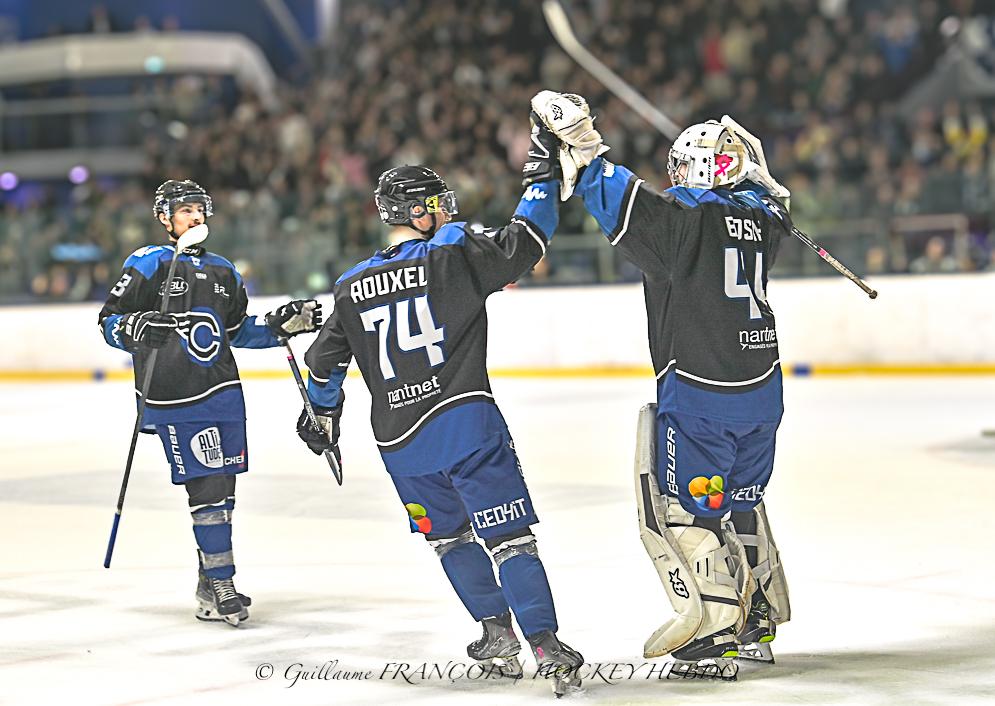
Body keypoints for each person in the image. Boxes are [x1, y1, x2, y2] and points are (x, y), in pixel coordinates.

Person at [296, 115, 584, 695]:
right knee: (511, 541)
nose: (445, 211)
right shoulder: (451, 250)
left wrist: (323, 413)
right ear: (415, 211)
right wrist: (543, 176)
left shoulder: (351, 284)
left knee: (449, 539)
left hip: (401, 447)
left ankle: (496, 632)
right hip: (466, 425)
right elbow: (526, 241)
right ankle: (546, 644)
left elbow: (322, 365)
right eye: (436, 202)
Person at [532, 91, 792, 680]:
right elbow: (768, 203)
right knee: (741, 503)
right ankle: (758, 619)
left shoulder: (684, 219)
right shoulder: (764, 220)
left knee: (684, 512)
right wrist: (764, 183)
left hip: (703, 392)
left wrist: (583, 145)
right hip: (763, 391)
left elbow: (622, 200)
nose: (671, 178)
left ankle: (715, 630)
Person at [98, 179, 321, 626]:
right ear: (165, 218)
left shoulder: (224, 270)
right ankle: (222, 582)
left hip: (221, 390)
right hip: (174, 392)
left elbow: (237, 331)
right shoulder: (148, 262)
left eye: (201, 210)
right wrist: (136, 326)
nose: (196, 218)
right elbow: (109, 321)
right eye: (185, 211)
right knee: (209, 488)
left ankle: (209, 580)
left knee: (225, 489)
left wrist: (280, 325)